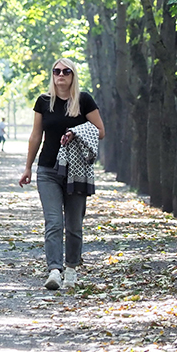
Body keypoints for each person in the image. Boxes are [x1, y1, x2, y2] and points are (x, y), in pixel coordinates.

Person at [18, 58, 105, 290]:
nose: (61, 75)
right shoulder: (43, 102)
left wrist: (76, 133)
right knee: (54, 222)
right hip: (48, 169)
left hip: (76, 171)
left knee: (74, 224)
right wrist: (28, 167)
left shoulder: (84, 100)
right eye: (56, 71)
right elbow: (36, 136)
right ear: (52, 75)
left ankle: (71, 269)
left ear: (73, 75)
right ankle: (54, 270)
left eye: (66, 71)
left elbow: (100, 131)